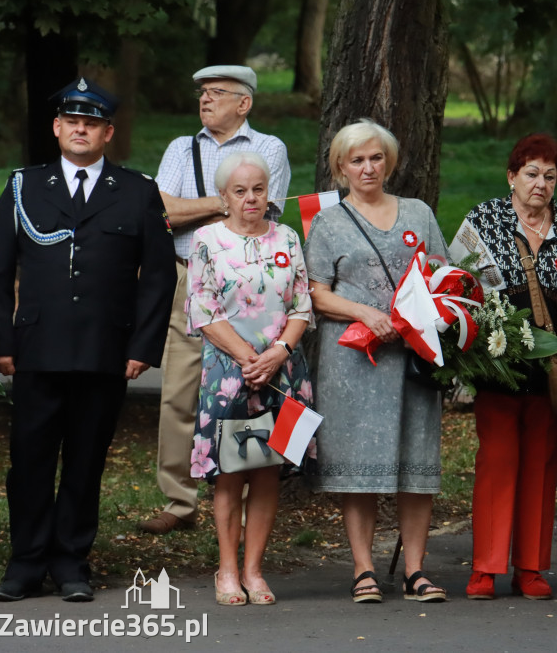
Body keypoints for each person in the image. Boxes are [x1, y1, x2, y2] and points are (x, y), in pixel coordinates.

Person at [0, 78, 175, 602]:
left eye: (91, 123)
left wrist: (142, 348)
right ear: (56, 127)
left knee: (86, 460)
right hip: (36, 350)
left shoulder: (138, 192)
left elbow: (159, 278)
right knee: (28, 461)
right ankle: (24, 566)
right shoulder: (25, 186)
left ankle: (71, 562)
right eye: (71, 121)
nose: (80, 129)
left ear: (107, 133)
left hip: (105, 352)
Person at [140, 65, 291, 536]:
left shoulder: (269, 148)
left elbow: (263, 212)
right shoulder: (180, 148)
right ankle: (178, 502)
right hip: (189, 281)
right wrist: (223, 201)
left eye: (216, 92)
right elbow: (160, 211)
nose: (204, 99)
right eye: (202, 92)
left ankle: (243, 497)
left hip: (253, 289)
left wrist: (199, 206)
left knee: (251, 391)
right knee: (180, 392)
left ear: (243, 103)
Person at [450, 133, 557, 600]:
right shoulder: (483, 220)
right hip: (499, 356)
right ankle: (485, 568)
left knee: (541, 459)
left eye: (550, 176)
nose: (541, 184)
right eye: (531, 174)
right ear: (512, 176)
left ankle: (530, 567)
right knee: (496, 459)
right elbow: (455, 280)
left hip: (552, 358)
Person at [305, 120, 448, 604]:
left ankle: (415, 570)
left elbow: (442, 279)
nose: (368, 168)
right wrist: (366, 310)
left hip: (412, 360)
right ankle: (363, 569)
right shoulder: (328, 222)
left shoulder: (418, 212)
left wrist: (419, 318)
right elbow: (315, 294)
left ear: (389, 162)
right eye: (357, 160)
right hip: (353, 361)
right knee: (357, 468)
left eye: (376, 158)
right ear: (340, 167)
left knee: (416, 463)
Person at [184, 152, 311, 606]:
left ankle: (255, 571)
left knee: (267, 471)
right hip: (228, 375)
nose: (250, 198)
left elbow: (301, 305)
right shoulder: (207, 239)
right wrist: (248, 358)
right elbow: (202, 309)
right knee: (230, 473)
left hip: (282, 372)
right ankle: (227, 569)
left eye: (258, 188)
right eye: (240, 190)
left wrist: (276, 354)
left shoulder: (288, 237)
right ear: (224, 196)